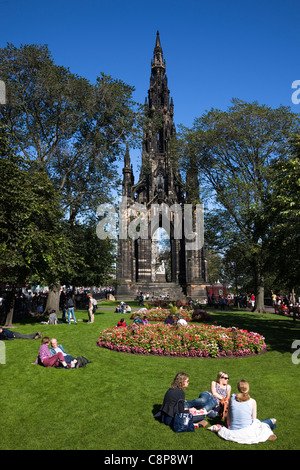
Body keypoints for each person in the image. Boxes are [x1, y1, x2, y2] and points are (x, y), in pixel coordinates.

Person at [208, 380, 277, 443]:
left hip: (233, 429)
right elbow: (254, 420)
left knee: (267, 424)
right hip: (246, 430)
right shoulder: (252, 401)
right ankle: (271, 422)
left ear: (238, 388)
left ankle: (271, 422)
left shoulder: (232, 399)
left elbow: (228, 417)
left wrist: (229, 426)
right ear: (248, 388)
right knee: (264, 424)